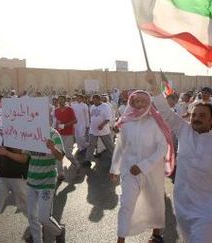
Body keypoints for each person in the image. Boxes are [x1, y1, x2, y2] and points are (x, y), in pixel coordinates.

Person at [146, 72, 212, 242]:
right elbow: (166, 113)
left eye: (202, 116)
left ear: (211, 120)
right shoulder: (185, 130)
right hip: (182, 203)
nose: (196, 119)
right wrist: (154, 86)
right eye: (194, 115)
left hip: (207, 209)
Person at [109, 90, 174, 243]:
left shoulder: (155, 123)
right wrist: (114, 169)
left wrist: (143, 166)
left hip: (152, 171)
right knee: (126, 204)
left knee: (155, 201)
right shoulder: (126, 123)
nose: (139, 104)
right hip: (129, 172)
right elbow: (120, 148)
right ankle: (121, 238)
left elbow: (162, 148)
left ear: (148, 103)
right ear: (131, 103)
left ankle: (156, 232)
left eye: (143, 101)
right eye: (136, 101)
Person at [26, 128, 66, 243]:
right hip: (31, 182)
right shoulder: (28, 132)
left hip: (47, 182)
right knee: (32, 216)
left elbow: (61, 157)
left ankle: (59, 231)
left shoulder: (53, 134)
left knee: (43, 218)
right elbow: (24, 156)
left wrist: (53, 148)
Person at [83, 94, 114, 167]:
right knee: (91, 145)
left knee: (109, 145)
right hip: (93, 130)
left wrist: (102, 125)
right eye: (93, 100)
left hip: (103, 130)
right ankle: (87, 160)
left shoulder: (105, 106)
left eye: (96, 100)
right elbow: (92, 117)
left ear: (99, 99)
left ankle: (114, 158)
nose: (94, 102)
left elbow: (108, 118)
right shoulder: (92, 106)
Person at [54, 95, 77, 180]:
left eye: (62, 100)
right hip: (58, 135)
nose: (60, 101)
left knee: (68, 154)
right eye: (59, 100)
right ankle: (60, 173)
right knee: (58, 154)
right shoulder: (55, 111)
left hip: (68, 134)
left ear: (65, 101)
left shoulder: (70, 109)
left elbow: (75, 120)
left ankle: (76, 164)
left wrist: (65, 125)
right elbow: (54, 122)